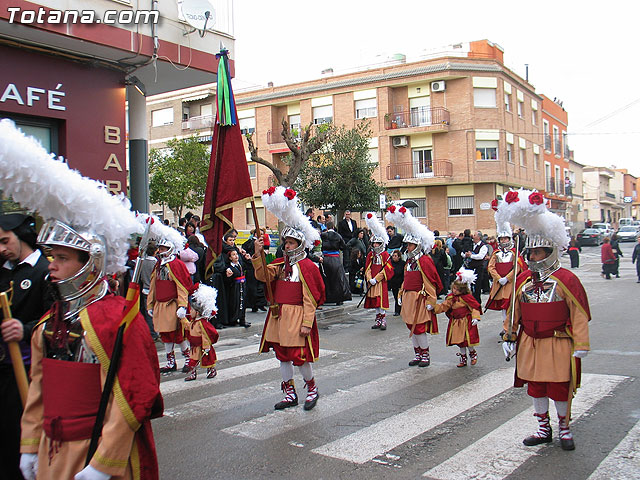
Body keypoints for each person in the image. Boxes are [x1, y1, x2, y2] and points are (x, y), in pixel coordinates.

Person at [0, 119, 163, 480]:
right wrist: (29, 445)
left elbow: (137, 394)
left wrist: (103, 465)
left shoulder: (117, 320)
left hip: (100, 451)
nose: (52, 267)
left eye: (62, 259)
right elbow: (38, 390)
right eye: (51, 257)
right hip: (52, 449)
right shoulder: (50, 322)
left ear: (90, 265)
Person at [499, 188, 590, 451]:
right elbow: (513, 312)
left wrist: (581, 344)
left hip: (558, 342)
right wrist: (509, 335)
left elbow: (579, 314)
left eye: (538, 253)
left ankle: (564, 427)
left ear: (549, 251)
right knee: (536, 387)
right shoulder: (524, 280)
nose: (532, 257)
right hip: (530, 342)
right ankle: (543, 427)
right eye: (530, 253)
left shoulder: (567, 280)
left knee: (559, 387)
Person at [254, 186, 325, 411]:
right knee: (282, 355)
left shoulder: (307, 267)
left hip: (297, 317)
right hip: (279, 316)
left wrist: (306, 323)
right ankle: (289, 393)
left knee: (300, 356)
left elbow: (311, 298)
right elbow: (263, 276)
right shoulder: (280, 265)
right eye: (286, 243)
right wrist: (258, 254)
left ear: (300, 244)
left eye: (291, 243)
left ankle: (311, 389)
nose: (287, 246)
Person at [0, 214, 51, 479]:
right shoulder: (3, 269)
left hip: (28, 370)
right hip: (3, 367)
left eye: (5, 241)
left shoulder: (45, 272)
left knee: (22, 435)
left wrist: (26, 329)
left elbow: (54, 318)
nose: (2, 248)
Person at [386, 205, 442, 367]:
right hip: (409, 298)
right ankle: (418, 354)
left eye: (410, 245)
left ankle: (425, 355)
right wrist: (400, 295)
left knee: (419, 328)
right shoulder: (409, 262)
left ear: (416, 245)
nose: (407, 248)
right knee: (410, 326)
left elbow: (430, 282)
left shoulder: (423, 261)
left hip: (420, 298)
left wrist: (431, 301)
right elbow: (405, 280)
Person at [147, 226, 193, 373]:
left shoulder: (176, 265)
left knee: (179, 334)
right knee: (165, 335)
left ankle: (188, 359)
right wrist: (150, 304)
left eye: (164, 248)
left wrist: (182, 305)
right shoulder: (158, 265)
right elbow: (153, 286)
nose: (161, 251)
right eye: (160, 248)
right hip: (161, 305)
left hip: (173, 305)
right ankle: (170, 362)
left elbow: (182, 287)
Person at [430, 268, 481, 367]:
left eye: (457, 289)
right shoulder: (451, 298)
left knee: (467, 340)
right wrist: (434, 307)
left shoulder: (467, 298)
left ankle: (472, 354)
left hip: (466, 322)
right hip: (456, 322)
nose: (455, 291)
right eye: (454, 288)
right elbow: (444, 306)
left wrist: (475, 317)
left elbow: (474, 308)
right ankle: (463, 358)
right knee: (459, 341)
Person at [485, 218, 526, 326]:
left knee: (510, 303)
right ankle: (505, 324)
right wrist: (499, 278)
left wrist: (507, 278)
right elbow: (491, 267)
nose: (504, 241)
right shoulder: (496, 253)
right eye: (502, 239)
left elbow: (517, 267)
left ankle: (510, 325)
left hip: (510, 282)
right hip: (499, 283)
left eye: (506, 239)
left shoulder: (514, 253)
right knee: (502, 305)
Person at [363, 213, 394, 330]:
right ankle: (378, 319)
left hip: (381, 281)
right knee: (375, 301)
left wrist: (377, 279)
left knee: (381, 301)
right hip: (372, 280)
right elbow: (368, 267)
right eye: (374, 243)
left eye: (377, 243)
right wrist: (370, 278)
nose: (375, 245)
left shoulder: (385, 255)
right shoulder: (371, 254)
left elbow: (388, 268)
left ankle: (383, 319)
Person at [183, 283, 219, 381]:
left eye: (192, 310)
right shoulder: (193, 322)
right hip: (194, 346)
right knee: (192, 361)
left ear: (197, 312)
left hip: (201, 346)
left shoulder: (201, 323)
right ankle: (193, 374)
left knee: (206, 360)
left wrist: (206, 347)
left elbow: (205, 335)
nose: (190, 312)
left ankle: (211, 370)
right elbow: (188, 327)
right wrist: (182, 319)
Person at [320, 222, 352, 305]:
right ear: (333, 227)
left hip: (325, 259)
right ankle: (339, 299)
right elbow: (343, 247)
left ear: (326, 227)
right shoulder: (338, 236)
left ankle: (326, 297)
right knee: (338, 279)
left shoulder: (323, 235)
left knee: (326, 278)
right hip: (335, 259)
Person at [242, 230, 268, 313]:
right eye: (260, 234)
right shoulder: (249, 243)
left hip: (259, 266)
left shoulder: (262, 243)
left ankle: (259, 303)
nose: (262, 235)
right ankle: (254, 304)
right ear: (255, 234)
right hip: (251, 266)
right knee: (252, 287)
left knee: (260, 285)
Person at [140, 243, 160, 341]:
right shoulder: (155, 263)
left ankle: (151, 332)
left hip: (145, 289)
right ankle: (154, 332)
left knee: (148, 312)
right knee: (155, 312)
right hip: (154, 290)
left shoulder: (142, 262)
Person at [224, 249, 250, 328]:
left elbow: (249, 267)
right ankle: (233, 319)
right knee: (235, 303)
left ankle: (242, 319)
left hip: (242, 285)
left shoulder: (240, 264)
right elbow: (228, 279)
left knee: (243, 302)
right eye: (233, 255)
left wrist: (248, 259)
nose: (236, 256)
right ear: (230, 258)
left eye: (236, 254)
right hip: (235, 287)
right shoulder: (229, 267)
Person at [464, 231, 488, 303]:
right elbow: (463, 252)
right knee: (469, 285)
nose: (473, 236)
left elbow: (480, 256)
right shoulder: (471, 244)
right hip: (470, 267)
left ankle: (477, 301)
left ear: (479, 237)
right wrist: (466, 254)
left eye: (474, 235)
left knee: (477, 285)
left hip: (478, 268)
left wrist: (471, 256)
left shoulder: (483, 246)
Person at [388, 250, 405, 316]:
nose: (394, 257)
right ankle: (397, 310)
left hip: (400, 282)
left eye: (395, 256)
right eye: (393, 256)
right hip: (393, 283)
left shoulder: (403, 263)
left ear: (399, 257)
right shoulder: (391, 263)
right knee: (396, 297)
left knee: (400, 297)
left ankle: (400, 310)